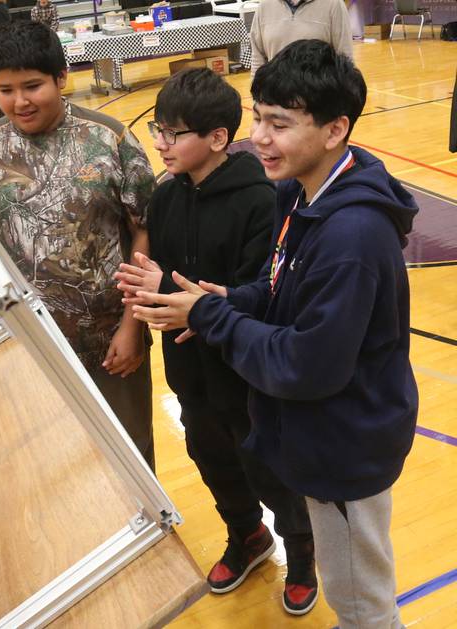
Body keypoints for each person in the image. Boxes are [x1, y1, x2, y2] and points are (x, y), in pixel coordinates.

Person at [132, 40, 418, 629]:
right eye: (258, 117)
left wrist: (210, 318)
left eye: (279, 123)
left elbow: (304, 364)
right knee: (352, 591)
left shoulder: (352, 236)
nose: (258, 136)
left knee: (362, 604)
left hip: (346, 444)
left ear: (336, 129)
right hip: (319, 433)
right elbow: (282, 289)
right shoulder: (302, 193)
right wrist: (229, 299)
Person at [114, 68, 317, 615]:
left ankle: (301, 553)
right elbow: (167, 275)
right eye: (157, 129)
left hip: (244, 369)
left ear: (218, 138)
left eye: (173, 133)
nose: (160, 143)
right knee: (209, 453)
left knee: (267, 465)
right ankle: (247, 534)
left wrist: (180, 296)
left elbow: (257, 290)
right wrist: (149, 291)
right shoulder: (167, 198)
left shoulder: (262, 200)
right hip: (190, 367)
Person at [0, 20, 157, 469]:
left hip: (111, 343)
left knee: (128, 456)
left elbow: (145, 229)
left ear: (61, 78)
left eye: (33, 86)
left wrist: (133, 325)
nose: (19, 102)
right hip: (25, 347)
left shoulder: (109, 139)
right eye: (6, 89)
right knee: (47, 463)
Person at [250, 0, 352, 75]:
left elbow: (345, 59)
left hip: (318, 97)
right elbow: (257, 58)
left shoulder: (334, 4)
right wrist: (258, 97)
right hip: (276, 97)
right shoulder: (265, 5)